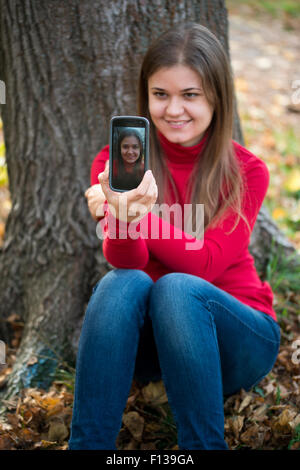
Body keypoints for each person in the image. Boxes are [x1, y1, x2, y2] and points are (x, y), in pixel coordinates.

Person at [69, 22, 281, 450]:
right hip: (157, 348)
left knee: (178, 288)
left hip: (239, 339)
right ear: (145, 97)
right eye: (160, 95)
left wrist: (136, 214)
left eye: (191, 95)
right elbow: (125, 261)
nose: (173, 110)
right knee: (121, 282)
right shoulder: (115, 164)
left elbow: (205, 264)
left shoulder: (247, 171)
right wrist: (122, 218)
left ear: (217, 98)